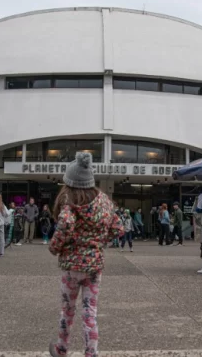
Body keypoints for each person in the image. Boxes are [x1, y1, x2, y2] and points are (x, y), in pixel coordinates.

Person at [48, 152, 123, 357]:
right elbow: (118, 228)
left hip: (71, 267)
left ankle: (61, 349)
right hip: (94, 267)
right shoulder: (105, 202)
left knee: (68, 310)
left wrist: (55, 247)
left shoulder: (69, 201)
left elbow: (66, 224)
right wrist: (99, 242)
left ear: (70, 182)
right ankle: (91, 352)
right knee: (90, 312)